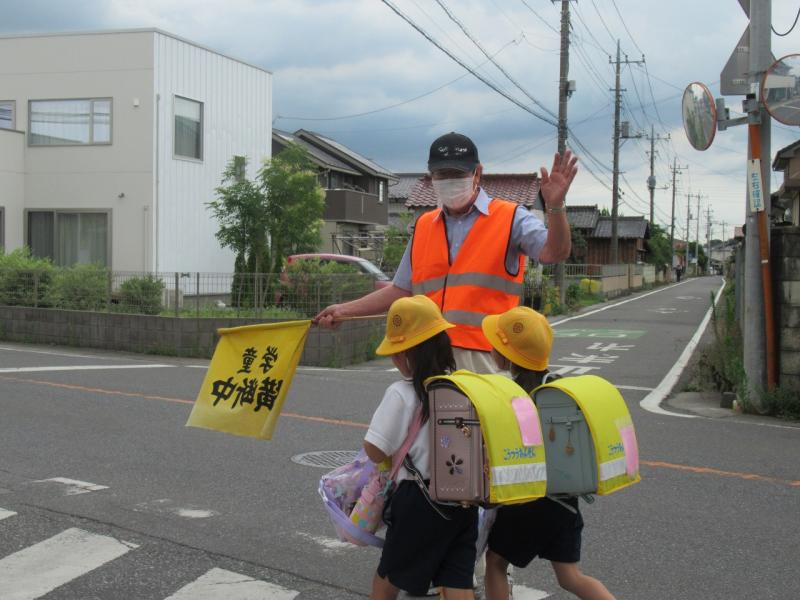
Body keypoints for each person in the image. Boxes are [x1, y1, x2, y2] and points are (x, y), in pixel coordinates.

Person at [314, 132, 577, 374]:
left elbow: (555, 251)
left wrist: (555, 207)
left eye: (456, 173)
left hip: (487, 358)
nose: (449, 181)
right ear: (431, 178)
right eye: (441, 174)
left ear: (477, 174)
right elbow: (401, 290)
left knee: (481, 426)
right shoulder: (424, 225)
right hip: (428, 357)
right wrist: (344, 310)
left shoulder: (510, 218)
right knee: (425, 425)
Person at [480, 306, 616, 600]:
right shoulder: (558, 387)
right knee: (570, 577)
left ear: (509, 354)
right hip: (565, 503)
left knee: (495, 562)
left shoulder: (511, 395)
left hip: (529, 501)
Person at [363, 295, 478, 600]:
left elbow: (374, 449)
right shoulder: (462, 386)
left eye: (397, 353)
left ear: (411, 354)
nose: (394, 359)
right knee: (458, 581)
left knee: (387, 577)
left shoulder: (401, 393)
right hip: (463, 500)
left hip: (419, 501)